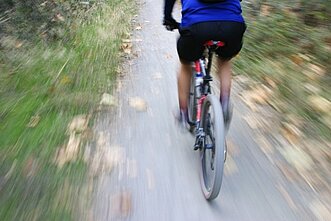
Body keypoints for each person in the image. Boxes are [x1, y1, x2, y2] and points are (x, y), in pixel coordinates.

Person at [163, 0, 246, 133]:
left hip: (196, 26)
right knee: (224, 60)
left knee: (185, 64)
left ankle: (183, 114)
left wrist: (168, 18)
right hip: (232, 26)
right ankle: (224, 103)